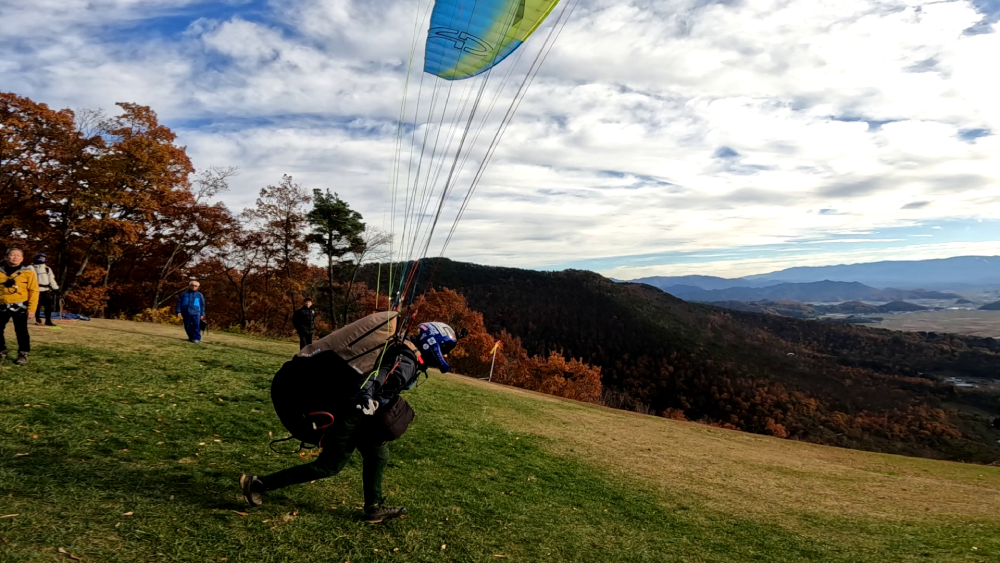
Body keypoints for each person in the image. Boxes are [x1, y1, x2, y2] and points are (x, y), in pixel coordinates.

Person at [239, 316, 458, 523]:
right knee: (329, 466)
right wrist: (368, 396)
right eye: (446, 350)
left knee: (378, 453)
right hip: (351, 413)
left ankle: (373, 507)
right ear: (432, 344)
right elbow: (378, 377)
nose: (446, 356)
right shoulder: (406, 362)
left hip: (361, 414)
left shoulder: (405, 349)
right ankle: (258, 484)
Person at [1, 248, 39, 366]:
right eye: (12, 255)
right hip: (2, 305)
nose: (15, 257)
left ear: (22, 259)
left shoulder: (28, 272)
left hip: (20, 306)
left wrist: (32, 309)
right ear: (6, 257)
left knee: (21, 331)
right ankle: (1, 351)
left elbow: (34, 291)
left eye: (18, 255)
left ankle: (23, 354)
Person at [30, 253, 59, 326]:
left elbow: (51, 279)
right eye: (40, 258)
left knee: (48, 306)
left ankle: (48, 320)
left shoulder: (47, 269)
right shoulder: (30, 268)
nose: (41, 259)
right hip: (35, 290)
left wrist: (56, 289)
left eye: (43, 258)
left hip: (46, 290)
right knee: (36, 305)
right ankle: (37, 319)